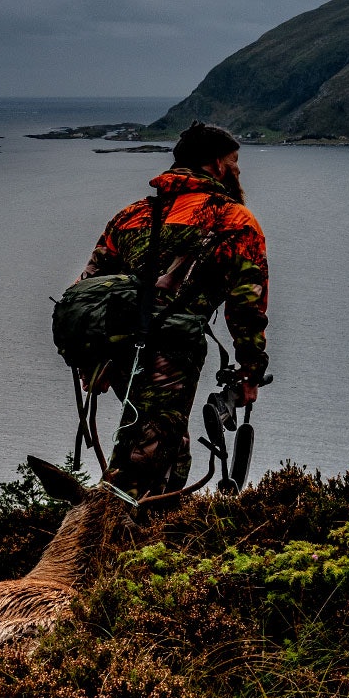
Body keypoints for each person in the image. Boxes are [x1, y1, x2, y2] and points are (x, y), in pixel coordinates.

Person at [77, 121, 269, 498]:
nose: (238, 171)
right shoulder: (233, 220)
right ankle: (104, 535)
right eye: (234, 162)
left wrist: (91, 360)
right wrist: (250, 371)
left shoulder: (130, 215)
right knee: (144, 455)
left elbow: (88, 285)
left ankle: (154, 526)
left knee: (166, 440)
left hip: (117, 352)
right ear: (216, 165)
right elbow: (247, 306)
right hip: (173, 352)